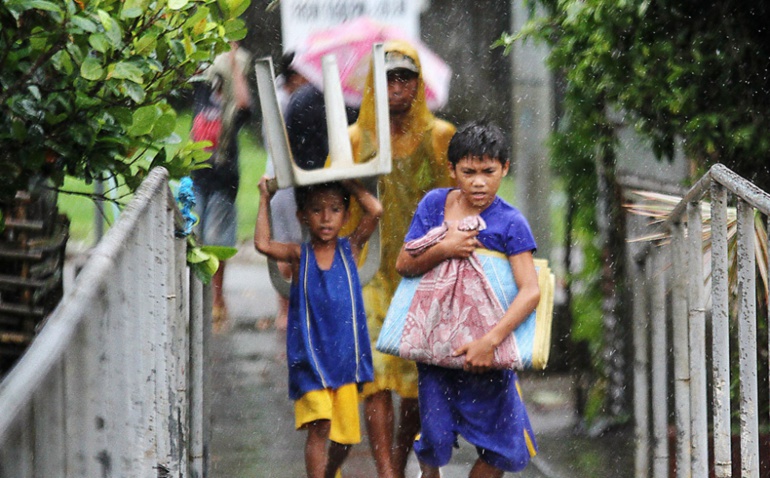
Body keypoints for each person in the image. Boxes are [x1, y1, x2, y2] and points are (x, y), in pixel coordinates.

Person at [394, 121, 540, 478]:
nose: (478, 182)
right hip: (438, 351)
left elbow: (531, 290)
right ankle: (429, 470)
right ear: (451, 169)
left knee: (502, 449)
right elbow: (404, 264)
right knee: (436, 435)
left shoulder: (510, 223)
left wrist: (490, 342)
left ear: (504, 168)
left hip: (488, 355)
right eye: (468, 171)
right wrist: (445, 248)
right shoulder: (435, 206)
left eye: (489, 172)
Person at [344, 40, 456, 478]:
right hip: (370, 268)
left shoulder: (439, 136)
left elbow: (459, 197)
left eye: (405, 77)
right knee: (375, 373)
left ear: (418, 84)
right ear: (374, 83)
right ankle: (387, 472)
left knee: (413, 380)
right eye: (388, 77)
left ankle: (402, 458)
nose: (397, 87)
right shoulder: (354, 139)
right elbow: (329, 199)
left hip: (421, 270)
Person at [254, 177, 383, 478]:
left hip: (345, 362)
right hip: (309, 360)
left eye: (335, 210)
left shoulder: (349, 248)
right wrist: (263, 198)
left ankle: (328, 473)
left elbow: (374, 210)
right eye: (316, 210)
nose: (326, 218)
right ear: (302, 216)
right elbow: (262, 244)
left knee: (345, 439)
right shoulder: (300, 256)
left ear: (346, 215)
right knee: (320, 426)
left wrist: (350, 183)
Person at [190, 42, 253, 331]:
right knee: (194, 240)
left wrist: (236, 66)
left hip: (223, 180)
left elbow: (243, 103)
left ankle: (217, 300)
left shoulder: (232, 106)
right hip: (198, 175)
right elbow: (190, 70)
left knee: (217, 243)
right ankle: (197, 300)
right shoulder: (203, 92)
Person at [263, 51, 308, 331]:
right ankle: (285, 311)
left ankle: (293, 311)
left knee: (299, 246)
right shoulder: (284, 102)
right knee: (286, 247)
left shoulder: (282, 97)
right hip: (285, 179)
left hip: (293, 178)